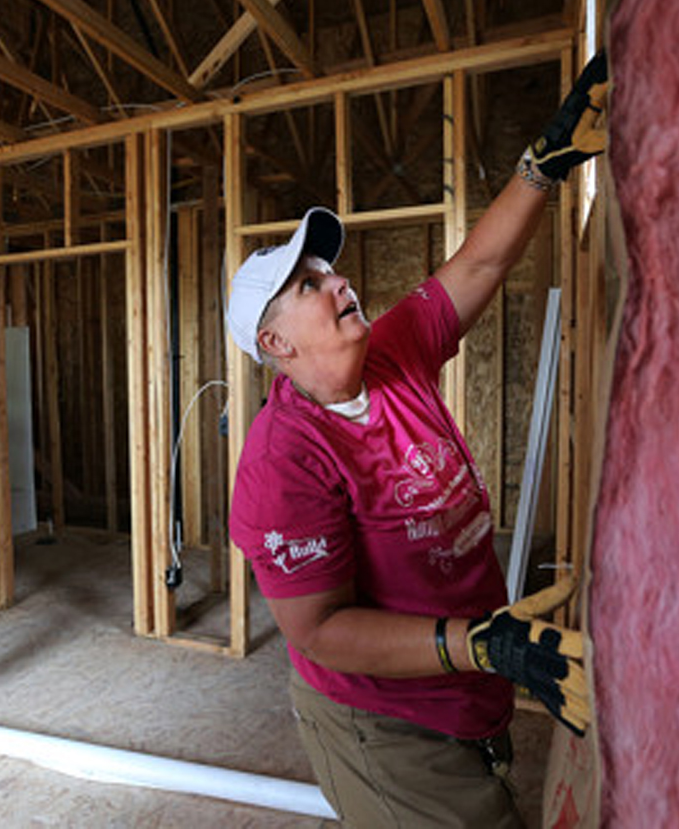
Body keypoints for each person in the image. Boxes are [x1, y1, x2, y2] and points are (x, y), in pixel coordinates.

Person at [226, 53, 607, 827]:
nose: (338, 281)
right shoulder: (282, 461)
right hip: (382, 724)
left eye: (329, 269)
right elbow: (320, 630)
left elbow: (483, 260)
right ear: (275, 343)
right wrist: (480, 646)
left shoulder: (394, 351)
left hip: (462, 688)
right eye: (309, 284)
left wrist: (547, 162)